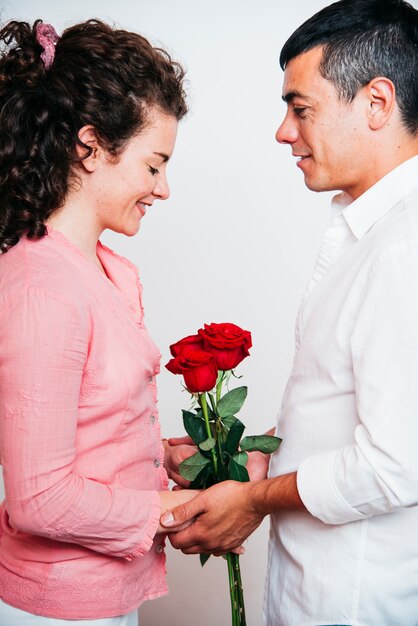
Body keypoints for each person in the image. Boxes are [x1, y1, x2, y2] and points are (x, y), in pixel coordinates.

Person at [161, 0, 418, 623]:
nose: (283, 131)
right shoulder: (371, 232)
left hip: (355, 603)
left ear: (377, 103)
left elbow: (397, 466)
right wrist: (254, 464)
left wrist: (254, 500)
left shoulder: (405, 247)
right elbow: (348, 414)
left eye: (300, 108)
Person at [0, 18, 199, 626]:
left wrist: (165, 457)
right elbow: (41, 499)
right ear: (89, 146)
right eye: (153, 165)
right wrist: (175, 509)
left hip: (106, 594)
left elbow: (90, 425)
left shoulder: (109, 270)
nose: (163, 189)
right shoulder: (43, 287)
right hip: (56, 608)